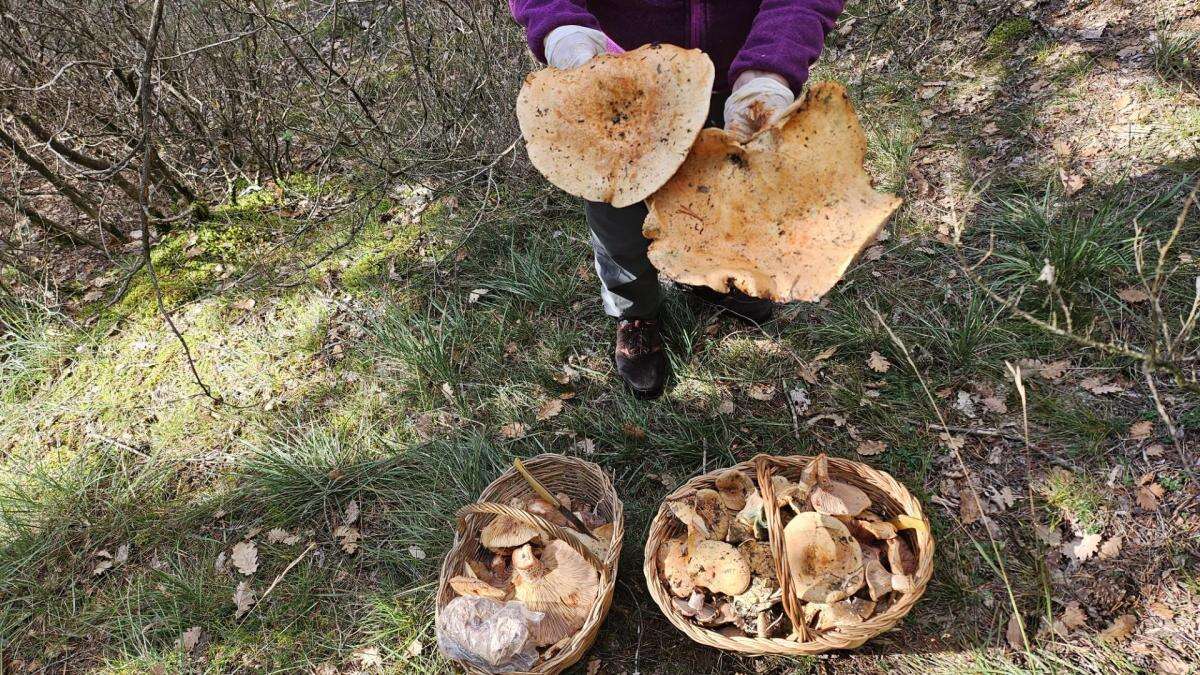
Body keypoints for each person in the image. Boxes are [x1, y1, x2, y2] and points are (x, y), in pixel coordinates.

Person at [509, 0, 846, 399]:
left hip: (733, 83)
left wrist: (770, 66)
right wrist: (562, 27)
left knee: (722, 205)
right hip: (613, 90)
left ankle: (715, 280)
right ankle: (634, 313)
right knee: (619, 224)